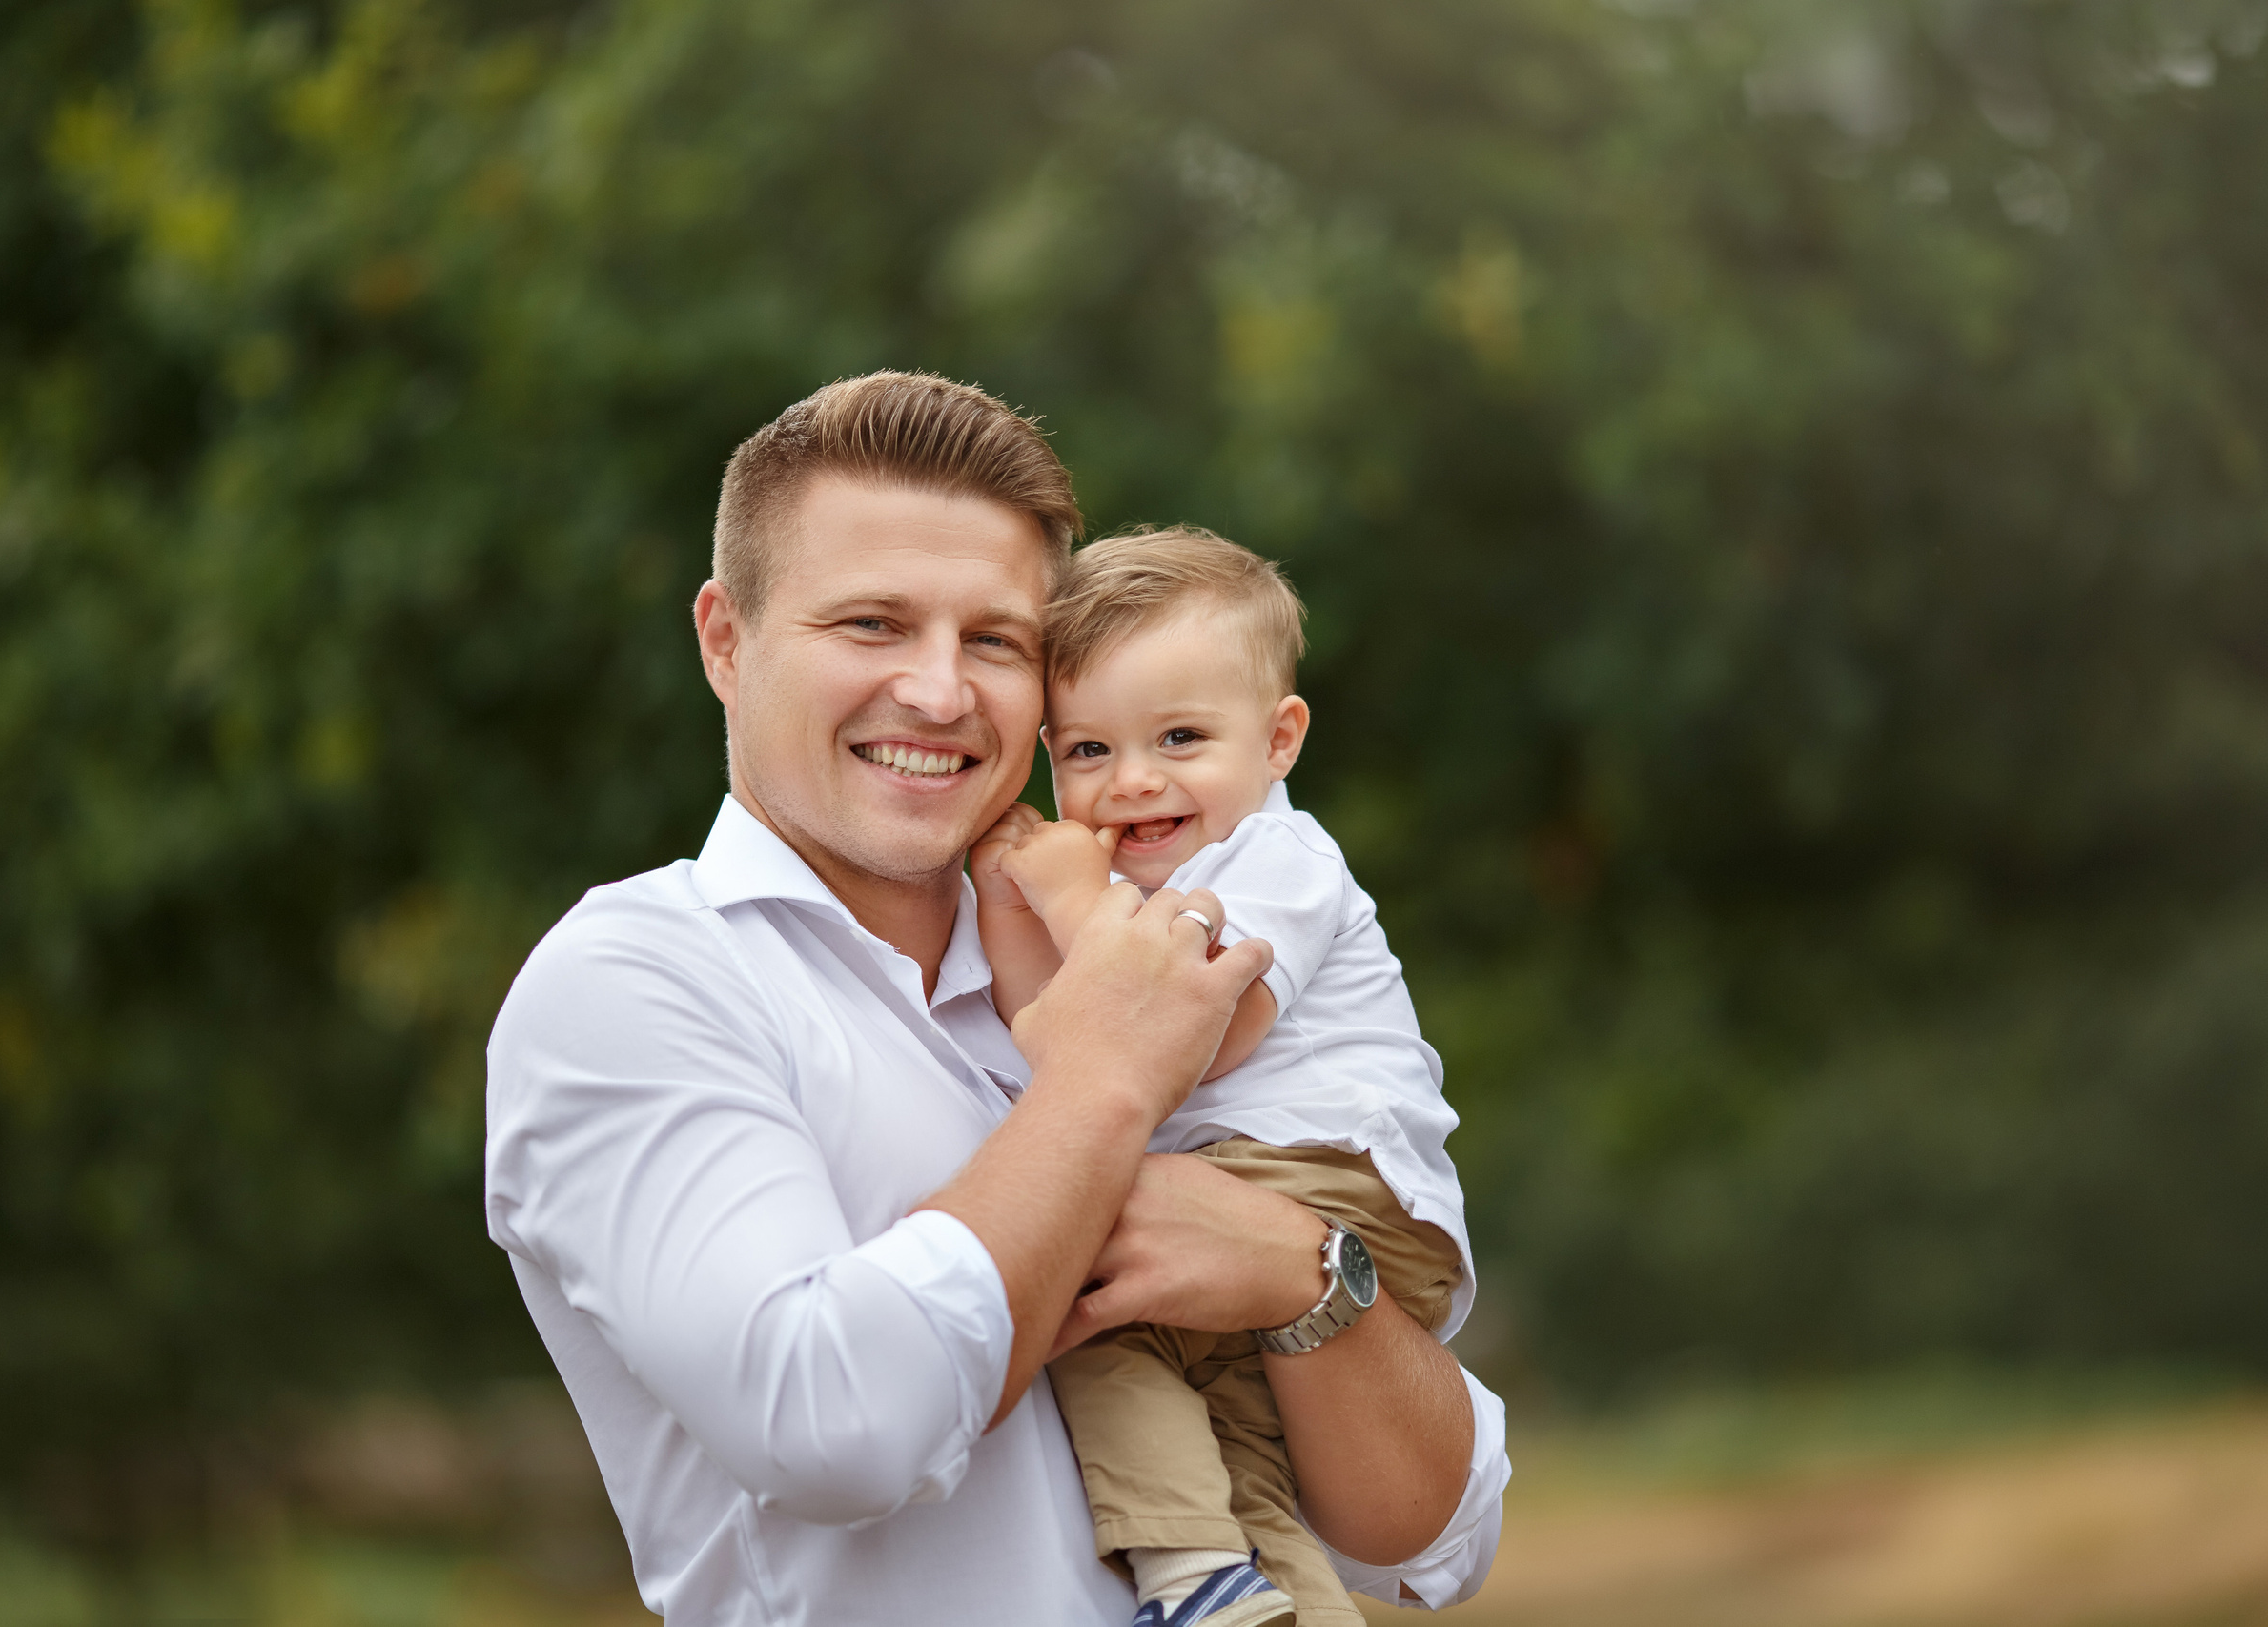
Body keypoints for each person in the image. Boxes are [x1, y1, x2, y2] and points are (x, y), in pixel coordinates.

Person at [483, 372, 1509, 1626]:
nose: (937, 691)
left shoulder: (1115, 927)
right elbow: (832, 1427)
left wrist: (1305, 1276)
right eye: (871, 623)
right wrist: (1105, 1080)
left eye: (995, 641)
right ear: (725, 640)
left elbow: (1435, 1538)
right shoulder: (633, 981)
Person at [972, 527, 1472, 1627]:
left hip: (1328, 1185)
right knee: (1237, 1452)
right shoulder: (1129, 890)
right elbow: (1048, 1029)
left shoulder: (1279, 860)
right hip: (1247, 1187)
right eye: (1088, 750)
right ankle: (1235, 1592)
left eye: (1180, 738)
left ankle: (1187, 1566)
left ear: (1278, 738)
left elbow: (1198, 1026)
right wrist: (1009, 894)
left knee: (1085, 1309)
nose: (1132, 780)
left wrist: (1068, 896)